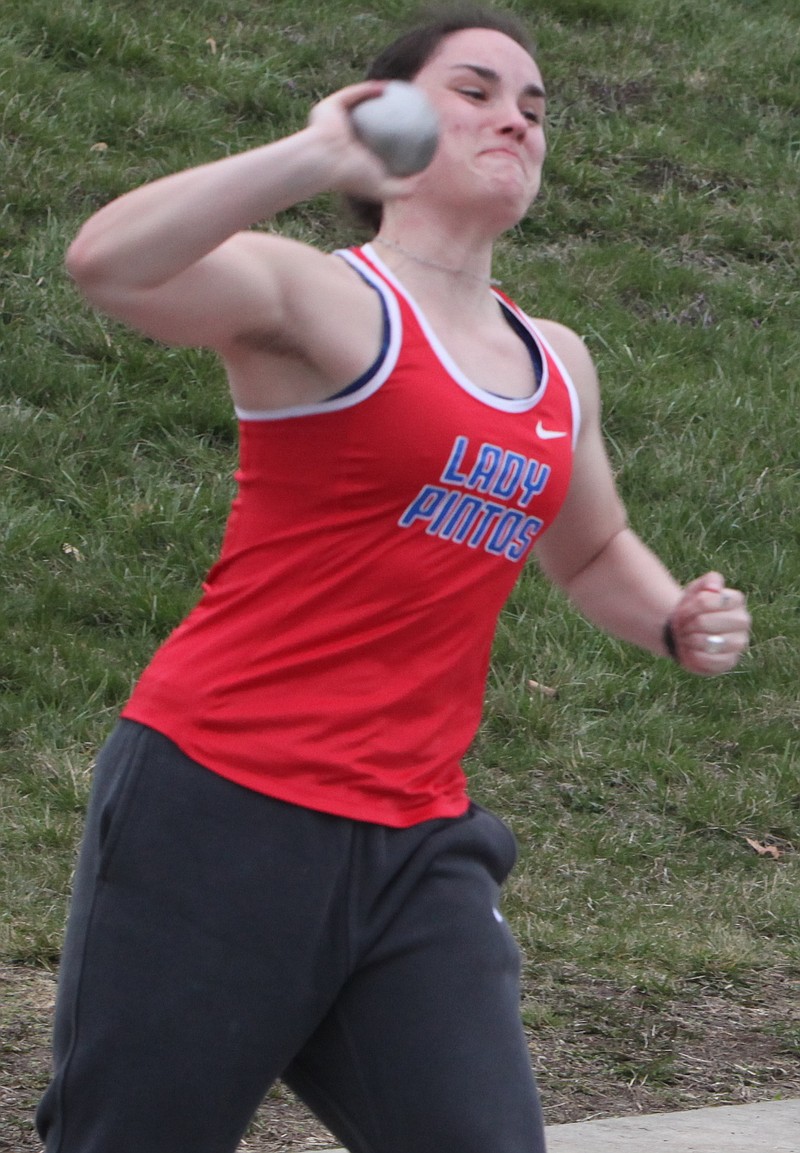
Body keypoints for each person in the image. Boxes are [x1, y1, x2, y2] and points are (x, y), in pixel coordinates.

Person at [37, 8, 751, 1153]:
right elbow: (108, 263)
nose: (513, 117)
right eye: (473, 90)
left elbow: (587, 548)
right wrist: (315, 154)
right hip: (222, 810)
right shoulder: (332, 301)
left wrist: (670, 616)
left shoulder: (555, 359)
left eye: (531, 106)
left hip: (417, 835)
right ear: (395, 120)